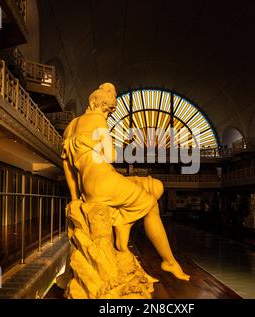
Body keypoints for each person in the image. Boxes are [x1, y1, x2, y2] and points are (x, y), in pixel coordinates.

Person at [62, 83, 190, 281]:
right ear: (104, 106)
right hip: (105, 182)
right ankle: (169, 262)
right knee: (150, 204)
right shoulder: (98, 120)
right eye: (110, 111)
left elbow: (68, 168)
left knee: (153, 186)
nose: (109, 115)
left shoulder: (72, 125)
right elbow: (111, 156)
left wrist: (75, 197)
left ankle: (124, 228)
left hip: (91, 187)